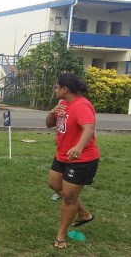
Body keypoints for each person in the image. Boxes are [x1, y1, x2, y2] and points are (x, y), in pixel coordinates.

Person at [46, 73, 99, 249]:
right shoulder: (62, 103)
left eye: (56, 87)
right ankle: (83, 214)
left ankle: (61, 235)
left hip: (81, 159)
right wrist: (52, 113)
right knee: (54, 184)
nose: (55, 90)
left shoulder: (82, 105)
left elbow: (89, 128)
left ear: (64, 89)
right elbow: (48, 124)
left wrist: (78, 147)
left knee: (68, 198)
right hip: (62, 155)